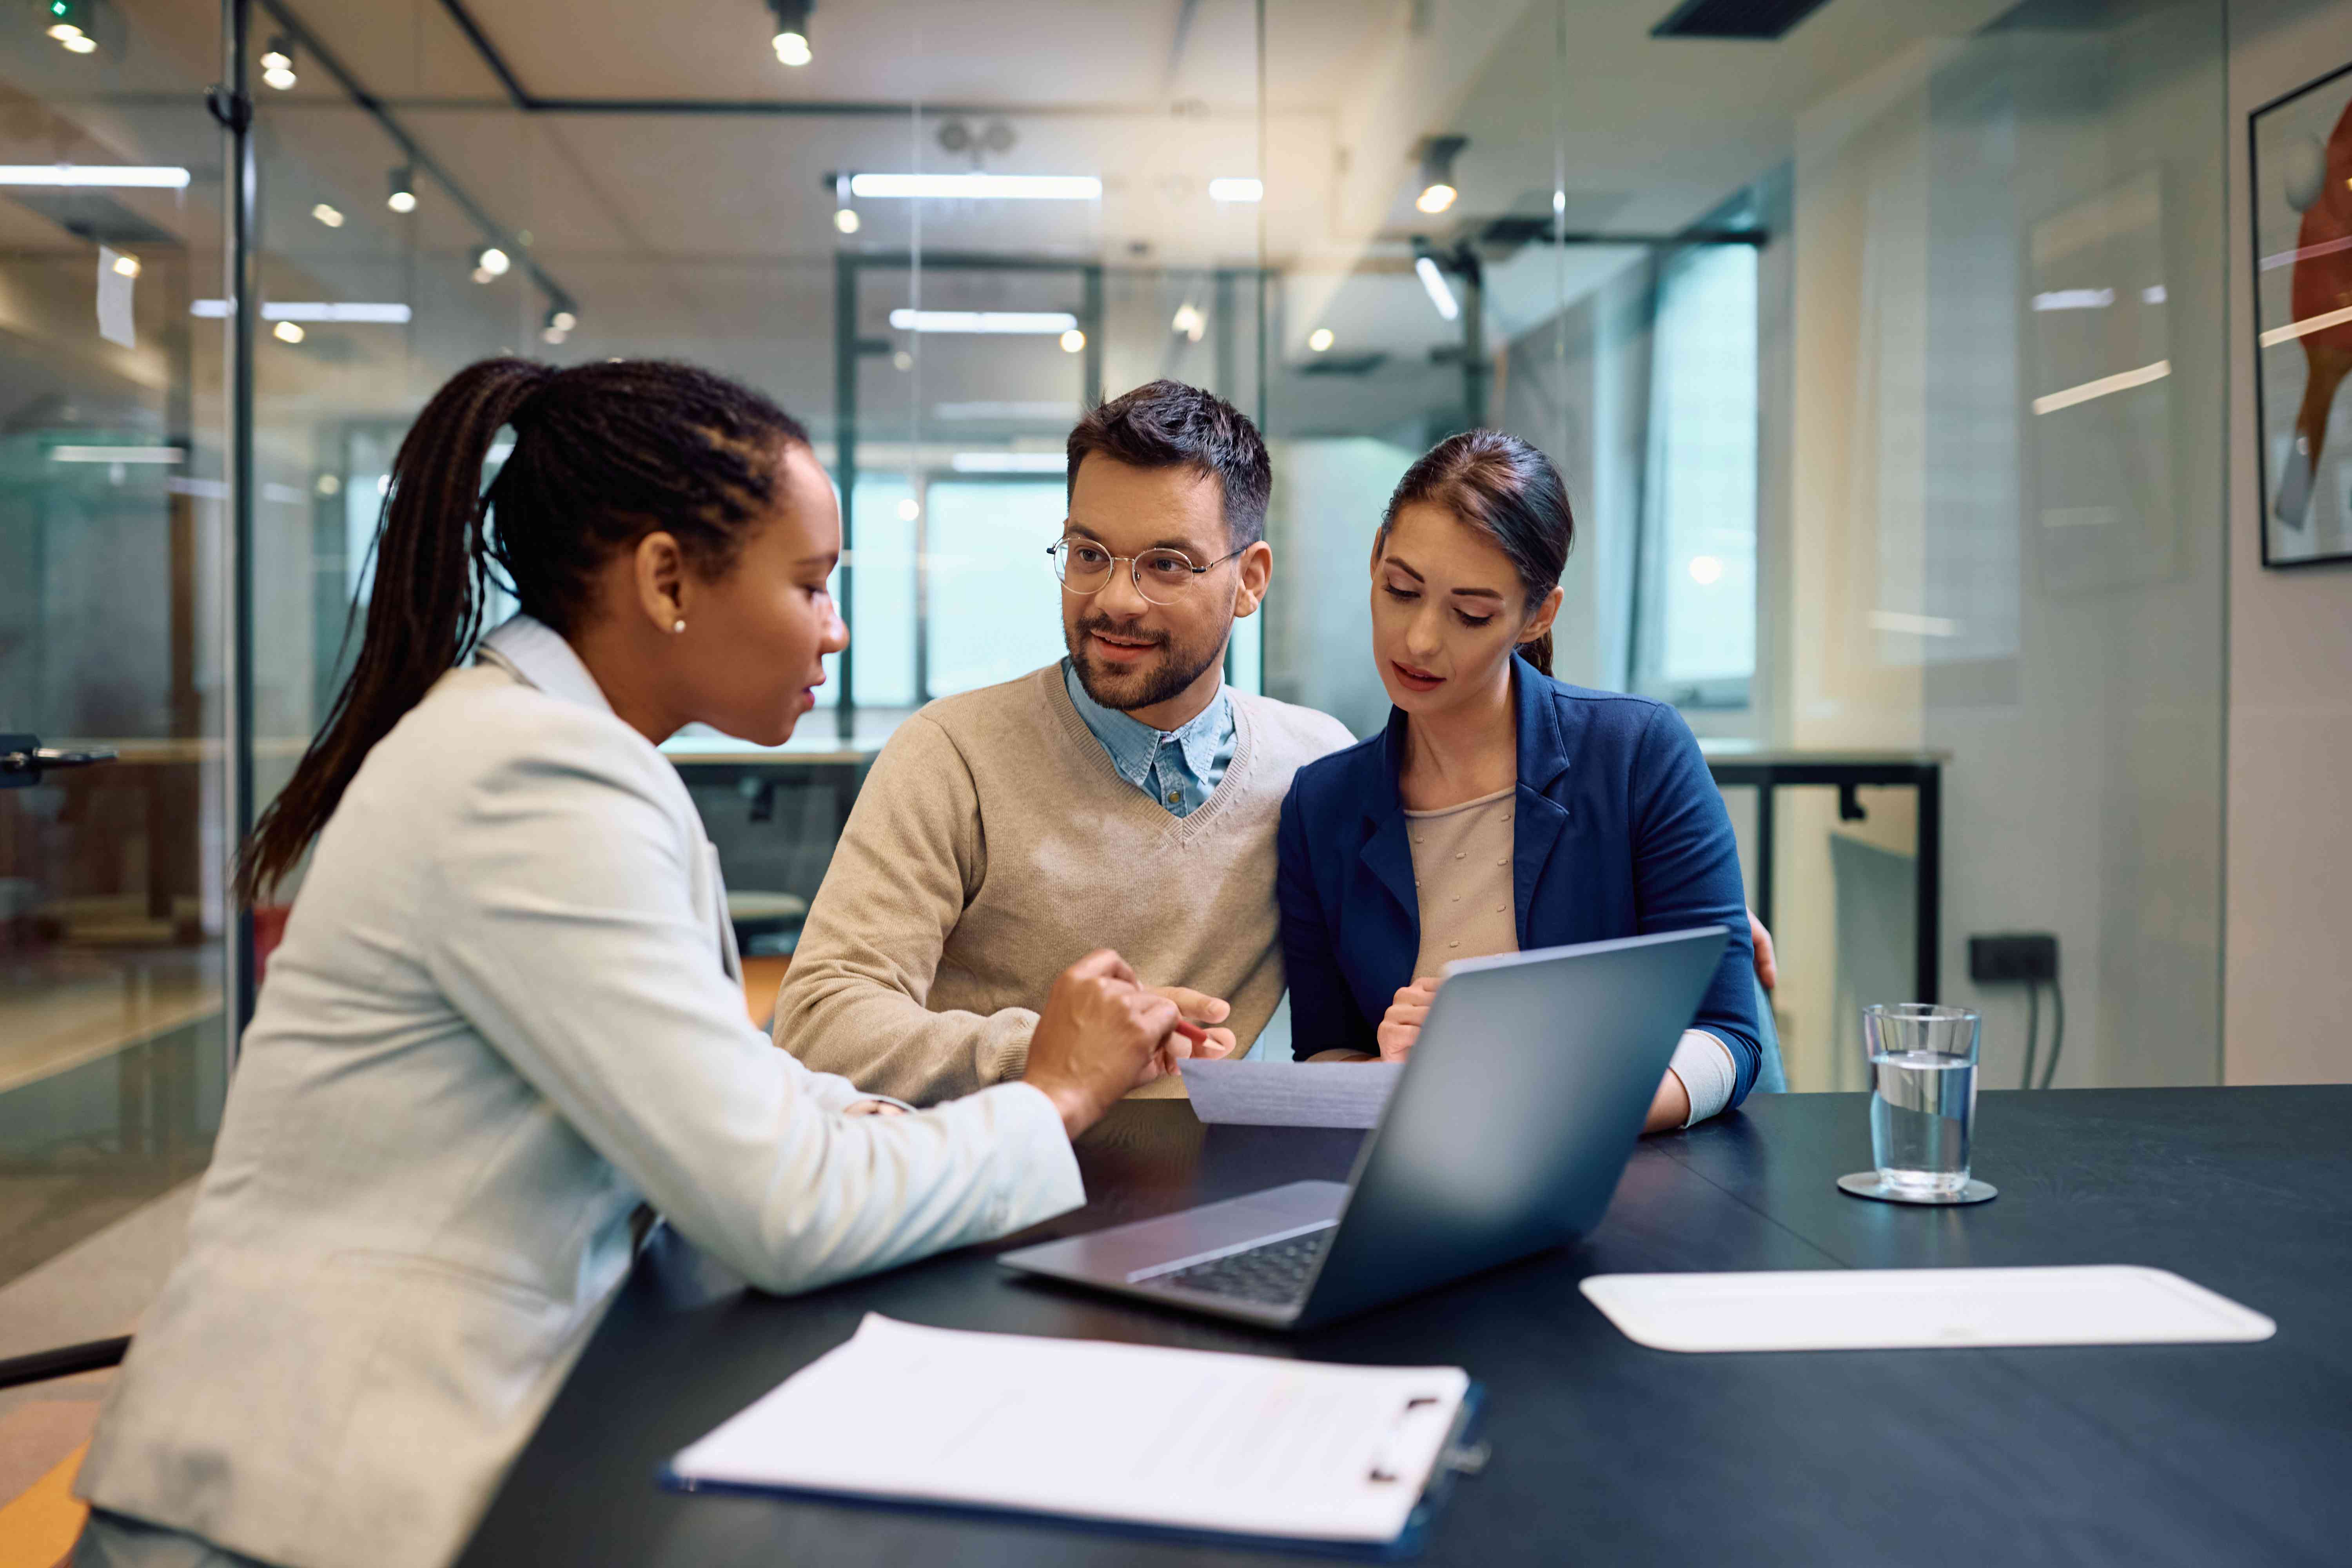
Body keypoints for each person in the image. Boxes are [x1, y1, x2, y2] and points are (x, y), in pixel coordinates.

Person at [72, 359, 1187, 1568]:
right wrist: (1054, 1095)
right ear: (666, 580)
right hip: (285, 1511)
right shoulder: (531, 780)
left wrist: (907, 1109)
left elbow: (724, 1083)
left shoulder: (539, 746)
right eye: (811, 584)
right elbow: (783, 1210)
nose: (835, 627)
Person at [774, 380, 1354, 1103]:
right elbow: (818, 1023)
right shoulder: (951, 755)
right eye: (1089, 554)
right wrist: (1051, 1048)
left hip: (1221, 1193)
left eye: (1166, 565)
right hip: (1001, 1191)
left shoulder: (1317, 766)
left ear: (1250, 581)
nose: (1114, 599)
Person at [1276, 430, 1765, 1131]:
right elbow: (1325, 1052)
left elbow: (1727, 1039)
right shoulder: (1320, 807)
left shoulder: (1637, 754)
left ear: (1539, 614)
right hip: (1417, 1178)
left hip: (1621, 1185)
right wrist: (1391, 1075)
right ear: (1376, 556)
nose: (1418, 640)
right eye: (1401, 590)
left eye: (1470, 614)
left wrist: (1533, 1085)